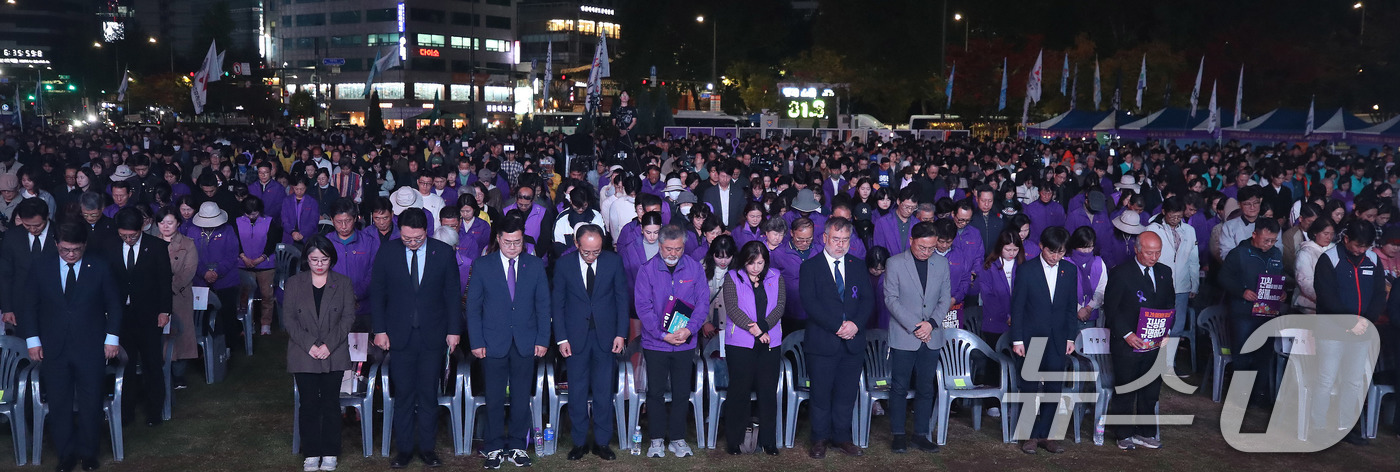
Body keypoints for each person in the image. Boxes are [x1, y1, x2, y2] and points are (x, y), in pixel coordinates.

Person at [18, 222, 122, 472]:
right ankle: (65, 454)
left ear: (84, 245)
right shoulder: (42, 266)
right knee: (59, 402)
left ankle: (88, 454)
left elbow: (115, 305)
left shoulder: (99, 266)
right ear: (56, 245)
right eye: (65, 250)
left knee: (91, 401)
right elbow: (28, 305)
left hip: (91, 347)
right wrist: (33, 341)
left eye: (76, 249)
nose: (71, 254)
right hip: (54, 348)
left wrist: (112, 339)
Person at [370, 209, 461, 469]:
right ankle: (405, 449)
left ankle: (428, 448)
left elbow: (452, 294)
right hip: (399, 335)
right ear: (400, 232)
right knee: (405, 394)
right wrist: (380, 329)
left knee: (428, 394)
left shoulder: (442, 253)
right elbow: (377, 293)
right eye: (407, 238)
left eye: (417, 238)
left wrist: (454, 330)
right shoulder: (388, 251)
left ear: (426, 232)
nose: (412, 243)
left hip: (432, 335)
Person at [465, 216, 551, 469]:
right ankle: (492, 446)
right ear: (498, 240)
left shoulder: (534, 266)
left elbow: (543, 305)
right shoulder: (483, 265)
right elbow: (473, 308)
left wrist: (543, 339)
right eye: (508, 242)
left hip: (526, 340)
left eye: (518, 242)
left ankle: (516, 445)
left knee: (521, 396)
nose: (513, 247)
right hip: (492, 342)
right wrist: (477, 341)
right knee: (493, 396)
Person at [551, 225, 628, 461]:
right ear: (576, 244)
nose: (592, 256)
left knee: (604, 392)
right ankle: (579, 442)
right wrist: (561, 337)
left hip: (606, 336)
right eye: (587, 252)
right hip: (575, 338)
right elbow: (558, 303)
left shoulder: (613, 262)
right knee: (577, 392)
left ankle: (602, 443)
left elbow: (622, 299)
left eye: (596, 251)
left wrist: (620, 334)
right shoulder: (564, 265)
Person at [799, 217, 872, 459]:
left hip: (852, 341)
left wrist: (855, 325)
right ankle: (819, 438)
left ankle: (842, 436)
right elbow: (810, 303)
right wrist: (837, 325)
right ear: (825, 239)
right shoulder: (810, 267)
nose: (840, 245)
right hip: (822, 341)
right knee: (820, 393)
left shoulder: (858, 265)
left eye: (845, 240)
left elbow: (868, 301)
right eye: (836, 239)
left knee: (846, 392)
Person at [634, 224, 709, 458]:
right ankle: (656, 439)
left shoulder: (695, 269)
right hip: (656, 343)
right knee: (654, 392)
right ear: (659, 245)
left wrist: (688, 330)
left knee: (681, 391)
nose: (673, 253)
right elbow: (643, 308)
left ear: (683, 246)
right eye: (668, 248)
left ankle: (677, 438)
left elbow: (702, 304)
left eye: (677, 249)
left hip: (685, 343)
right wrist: (662, 334)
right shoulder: (646, 271)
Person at [284, 236, 357, 472]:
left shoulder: (343, 283)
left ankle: (330, 451)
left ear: (331, 259)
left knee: (330, 404)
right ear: (306, 259)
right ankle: (312, 452)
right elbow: (289, 320)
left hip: (333, 353)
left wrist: (328, 345)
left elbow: (348, 318)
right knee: (308, 405)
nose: (318, 264)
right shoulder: (294, 283)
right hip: (303, 353)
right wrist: (310, 345)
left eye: (324, 260)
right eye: (314, 259)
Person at [1311, 219, 1383, 446]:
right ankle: (1318, 428)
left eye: (1366, 246)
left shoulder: (1373, 259)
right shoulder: (1329, 259)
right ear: (1346, 239)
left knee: (1353, 382)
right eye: (1358, 245)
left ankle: (1346, 427)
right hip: (1332, 331)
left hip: (1361, 332)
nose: (1361, 250)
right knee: (1326, 379)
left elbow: (1380, 294)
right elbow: (1326, 296)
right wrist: (1351, 322)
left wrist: (1366, 322)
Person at [1102, 231, 1174, 450]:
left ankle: (1145, 432)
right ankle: (1123, 433)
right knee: (1126, 388)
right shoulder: (1121, 273)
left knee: (1151, 389)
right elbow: (1111, 309)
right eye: (1149, 253)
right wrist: (1127, 334)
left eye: (1158, 252)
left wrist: (1166, 329)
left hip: (1155, 342)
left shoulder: (1165, 272)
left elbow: (1170, 304)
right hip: (1128, 343)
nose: (1154, 257)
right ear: (1137, 250)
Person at [1009, 226, 1078, 454]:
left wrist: (1070, 336)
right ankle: (1028, 436)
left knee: (1053, 388)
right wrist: (1017, 340)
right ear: (1041, 247)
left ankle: (1046, 435)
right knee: (1029, 386)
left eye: (1060, 253)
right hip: (1031, 339)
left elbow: (1070, 307)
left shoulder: (1069, 270)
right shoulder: (1027, 270)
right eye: (1052, 252)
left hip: (1058, 339)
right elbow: (1017, 308)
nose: (1056, 257)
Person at [882, 221, 950, 454]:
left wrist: (930, 324)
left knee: (925, 387)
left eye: (932, 247)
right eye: (923, 247)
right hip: (904, 335)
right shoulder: (895, 263)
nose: (927, 252)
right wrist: (915, 326)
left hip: (932, 336)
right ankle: (898, 434)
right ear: (911, 241)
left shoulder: (941, 263)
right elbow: (891, 299)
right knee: (899, 387)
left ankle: (921, 434)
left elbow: (945, 299)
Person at [105, 207, 174, 428]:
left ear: (142, 228)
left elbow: (165, 281)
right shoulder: (109, 247)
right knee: (124, 365)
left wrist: (165, 311)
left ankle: (155, 410)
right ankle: (126, 411)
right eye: (123, 235)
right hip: (121, 316)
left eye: (132, 236)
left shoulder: (156, 247)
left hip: (149, 316)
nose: (128, 239)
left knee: (152, 363)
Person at [721, 241, 786, 456]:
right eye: (751, 263)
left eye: (760, 263)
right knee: (739, 391)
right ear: (744, 261)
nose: (756, 267)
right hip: (740, 343)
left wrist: (764, 327)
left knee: (768, 392)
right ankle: (734, 440)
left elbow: (779, 306)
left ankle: (768, 441)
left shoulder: (776, 276)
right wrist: (756, 330)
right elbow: (732, 308)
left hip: (770, 342)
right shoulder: (732, 277)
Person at [1217, 217, 1284, 407]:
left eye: (1273, 240)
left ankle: (1257, 395)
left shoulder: (1276, 254)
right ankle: (1239, 395)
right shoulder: (1239, 253)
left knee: (1263, 355)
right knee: (1243, 355)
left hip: (1268, 313)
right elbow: (1223, 278)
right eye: (1266, 240)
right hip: (1243, 314)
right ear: (1254, 234)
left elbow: (1279, 277)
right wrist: (1241, 291)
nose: (1270, 244)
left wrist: (1281, 294)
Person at [191, 201, 246, 354]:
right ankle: (202, 351)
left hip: (226, 280)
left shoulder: (228, 230)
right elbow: (191, 255)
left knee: (227, 314)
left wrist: (217, 272)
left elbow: (232, 254)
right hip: (200, 281)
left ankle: (229, 347)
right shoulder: (193, 231)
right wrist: (204, 273)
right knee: (202, 315)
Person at [1144, 197, 1200, 345]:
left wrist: (1194, 283)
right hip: (1159, 285)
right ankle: (1154, 361)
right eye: (1172, 216)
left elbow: (1194, 260)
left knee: (1177, 327)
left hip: (1182, 285)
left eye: (1179, 216)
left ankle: (1170, 363)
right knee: (1158, 325)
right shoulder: (1153, 229)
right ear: (1164, 212)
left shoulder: (1189, 231)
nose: (1176, 219)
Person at [155, 206, 199, 389]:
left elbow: (189, 271)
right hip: (156, 297)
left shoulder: (188, 244)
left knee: (181, 334)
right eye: (162, 222)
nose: (165, 226)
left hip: (179, 296)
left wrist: (169, 286)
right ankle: (161, 372)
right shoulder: (151, 243)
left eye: (170, 222)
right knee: (160, 335)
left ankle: (179, 375)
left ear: (178, 223)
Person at [0, 198, 56, 327]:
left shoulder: (60, 233)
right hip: (21, 303)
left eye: (37, 225)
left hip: (53, 304)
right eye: (27, 225)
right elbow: (5, 274)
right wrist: (7, 308)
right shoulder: (12, 236)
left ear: (47, 217)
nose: (32, 229)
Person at [235, 196, 281, 335]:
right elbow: (235, 241)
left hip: (265, 265)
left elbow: (272, 243)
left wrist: (259, 259)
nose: (251, 216)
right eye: (248, 214)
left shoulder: (269, 221)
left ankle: (265, 324)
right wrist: (243, 257)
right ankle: (247, 324)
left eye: (254, 214)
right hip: (243, 264)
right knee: (244, 295)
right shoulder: (237, 222)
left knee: (267, 295)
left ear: (259, 211)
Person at [1293, 218, 1336, 313]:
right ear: (1315, 233)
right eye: (1325, 234)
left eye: (1331, 234)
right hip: (1309, 306)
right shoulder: (1305, 253)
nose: (1329, 237)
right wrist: (1324, 299)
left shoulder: (1333, 251)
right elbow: (1304, 281)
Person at [702, 162, 746, 230]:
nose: (725, 179)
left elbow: (741, 212)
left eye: (728, 176)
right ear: (718, 175)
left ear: (731, 177)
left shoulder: (739, 192)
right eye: (722, 176)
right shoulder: (709, 193)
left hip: (734, 229)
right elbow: (707, 214)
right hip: (715, 229)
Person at [282, 175, 320, 246]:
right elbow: (284, 220)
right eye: (296, 189)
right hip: (290, 237)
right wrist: (292, 232)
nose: (299, 191)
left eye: (302, 189)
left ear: (306, 188)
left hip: (307, 237)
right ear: (293, 187)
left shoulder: (312, 202)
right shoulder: (287, 201)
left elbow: (313, 221)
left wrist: (303, 233)